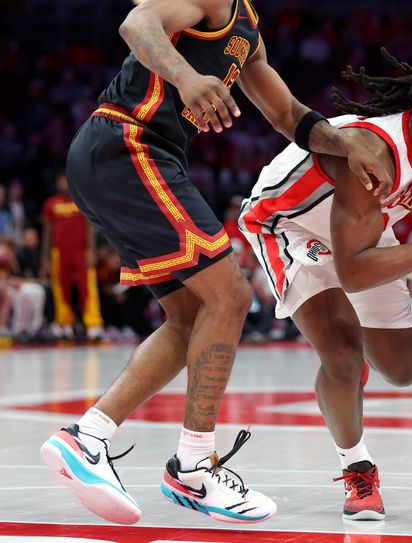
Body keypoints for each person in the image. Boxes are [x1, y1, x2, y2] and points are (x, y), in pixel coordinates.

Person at [39, 0, 393, 526]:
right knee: (230, 294)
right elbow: (137, 23)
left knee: (191, 319)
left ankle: (88, 436)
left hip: (135, 156)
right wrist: (185, 77)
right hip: (129, 143)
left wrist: (345, 145)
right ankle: (193, 467)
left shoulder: (247, 26)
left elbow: (287, 115)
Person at [239, 49, 412, 520]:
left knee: (402, 369)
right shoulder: (375, 152)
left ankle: (341, 368)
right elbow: (355, 272)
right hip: (291, 226)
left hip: (362, 233)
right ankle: (357, 468)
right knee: (342, 354)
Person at [41, 172, 104, 341]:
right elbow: (47, 233)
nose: (64, 184)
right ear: (56, 183)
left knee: (88, 288)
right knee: (61, 289)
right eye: (61, 181)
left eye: (66, 181)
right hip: (59, 252)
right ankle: (64, 324)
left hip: (81, 251)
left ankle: (93, 325)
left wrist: (92, 251)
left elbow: (90, 227)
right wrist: (45, 259)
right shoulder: (50, 203)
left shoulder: (81, 200)